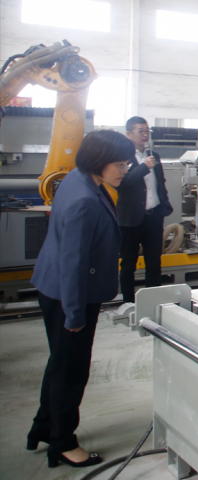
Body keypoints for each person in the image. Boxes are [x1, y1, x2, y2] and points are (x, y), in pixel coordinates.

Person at [28, 129, 135, 468]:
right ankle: (62, 443)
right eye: (120, 164)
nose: (124, 170)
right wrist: (74, 314)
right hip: (69, 295)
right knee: (71, 371)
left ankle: (44, 427)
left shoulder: (78, 179)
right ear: (98, 161)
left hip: (57, 287)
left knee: (60, 364)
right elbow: (73, 263)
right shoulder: (84, 200)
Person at [116, 117, 174, 303]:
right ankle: (128, 303)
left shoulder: (153, 155)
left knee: (154, 262)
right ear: (128, 134)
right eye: (140, 131)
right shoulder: (121, 157)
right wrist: (143, 167)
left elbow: (160, 183)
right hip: (130, 219)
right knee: (128, 265)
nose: (145, 134)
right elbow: (122, 183)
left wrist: (163, 207)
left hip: (154, 217)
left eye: (147, 131)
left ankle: (153, 301)